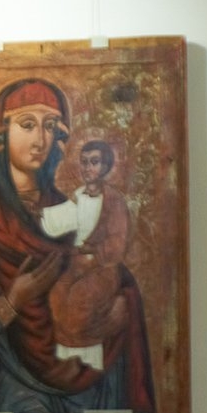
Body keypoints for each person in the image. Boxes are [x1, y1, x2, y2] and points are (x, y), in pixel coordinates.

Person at [0, 78, 155, 413]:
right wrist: (13, 301)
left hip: (86, 383)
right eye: (27, 125)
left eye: (50, 127)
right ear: (1, 134)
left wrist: (117, 309)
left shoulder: (72, 214)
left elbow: (112, 279)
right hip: (5, 386)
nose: (40, 140)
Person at [40, 139, 132, 365]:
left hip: (103, 269)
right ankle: (66, 366)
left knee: (79, 300)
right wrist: (37, 213)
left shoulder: (114, 200)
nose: (87, 168)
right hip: (77, 266)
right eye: (84, 162)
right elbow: (60, 220)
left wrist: (94, 249)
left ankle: (88, 362)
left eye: (94, 162)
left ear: (105, 166)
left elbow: (118, 243)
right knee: (56, 297)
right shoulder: (79, 195)